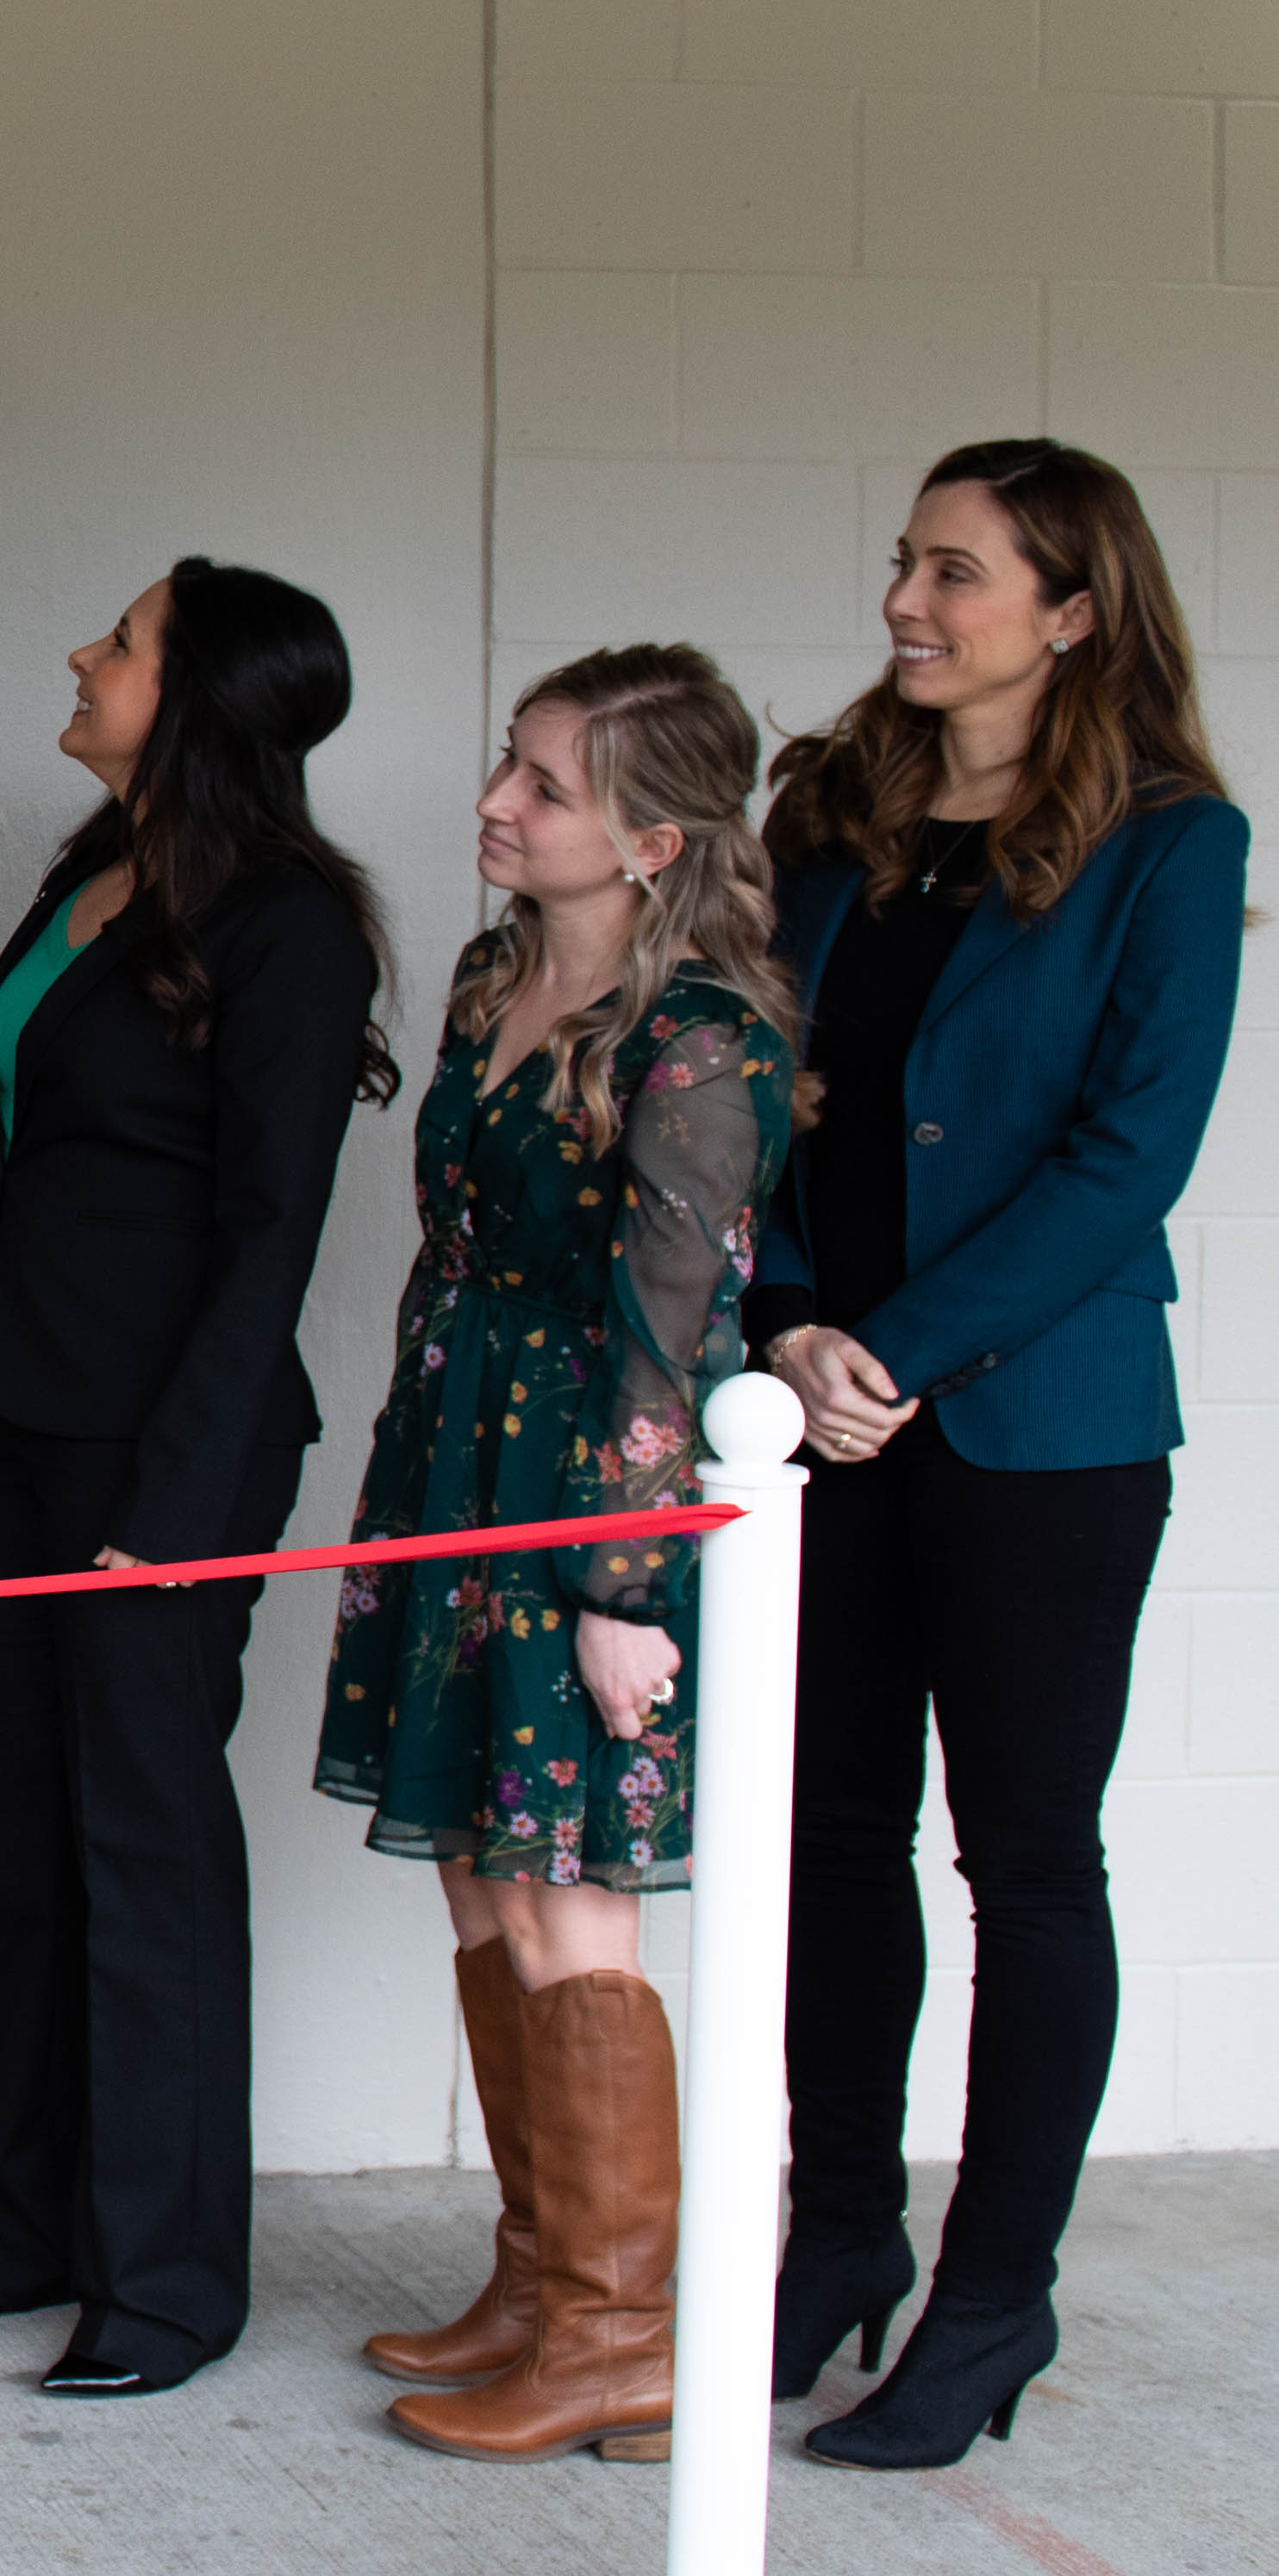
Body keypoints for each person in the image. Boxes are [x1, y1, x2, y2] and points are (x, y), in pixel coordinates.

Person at [748, 445, 1242, 2472]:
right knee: (829, 1840)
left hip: (1033, 1430)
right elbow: (737, 1086)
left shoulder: (1166, 843)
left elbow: (1125, 1156)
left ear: (1068, 609)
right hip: (816, 1402)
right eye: (899, 560)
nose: (904, 598)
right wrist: (782, 1318)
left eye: (952, 569)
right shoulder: (828, 820)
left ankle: (990, 2291)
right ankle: (833, 2232)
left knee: (1025, 1857)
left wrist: (893, 1347)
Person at [0, 560, 390, 2397]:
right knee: (17, 1824)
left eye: (123, 639)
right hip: (10, 1417)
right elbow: (75, 1162)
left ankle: (165, 2279)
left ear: (208, 695)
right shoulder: (91, 871)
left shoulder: (293, 927)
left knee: (140, 1847)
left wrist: (166, 1507)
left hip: (165, 1452)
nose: (81, 652)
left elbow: (264, 1236)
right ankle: (36, 2216)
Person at [317, 646, 798, 2464]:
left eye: (538, 782)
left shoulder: (696, 1041)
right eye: (503, 766)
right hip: (448, 1456)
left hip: (583, 1483)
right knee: (470, 1874)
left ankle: (623, 2331)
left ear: (649, 835)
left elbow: (678, 1327)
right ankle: (537, 2278)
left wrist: (617, 1587)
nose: (492, 804)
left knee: (561, 1888)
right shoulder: (490, 972)